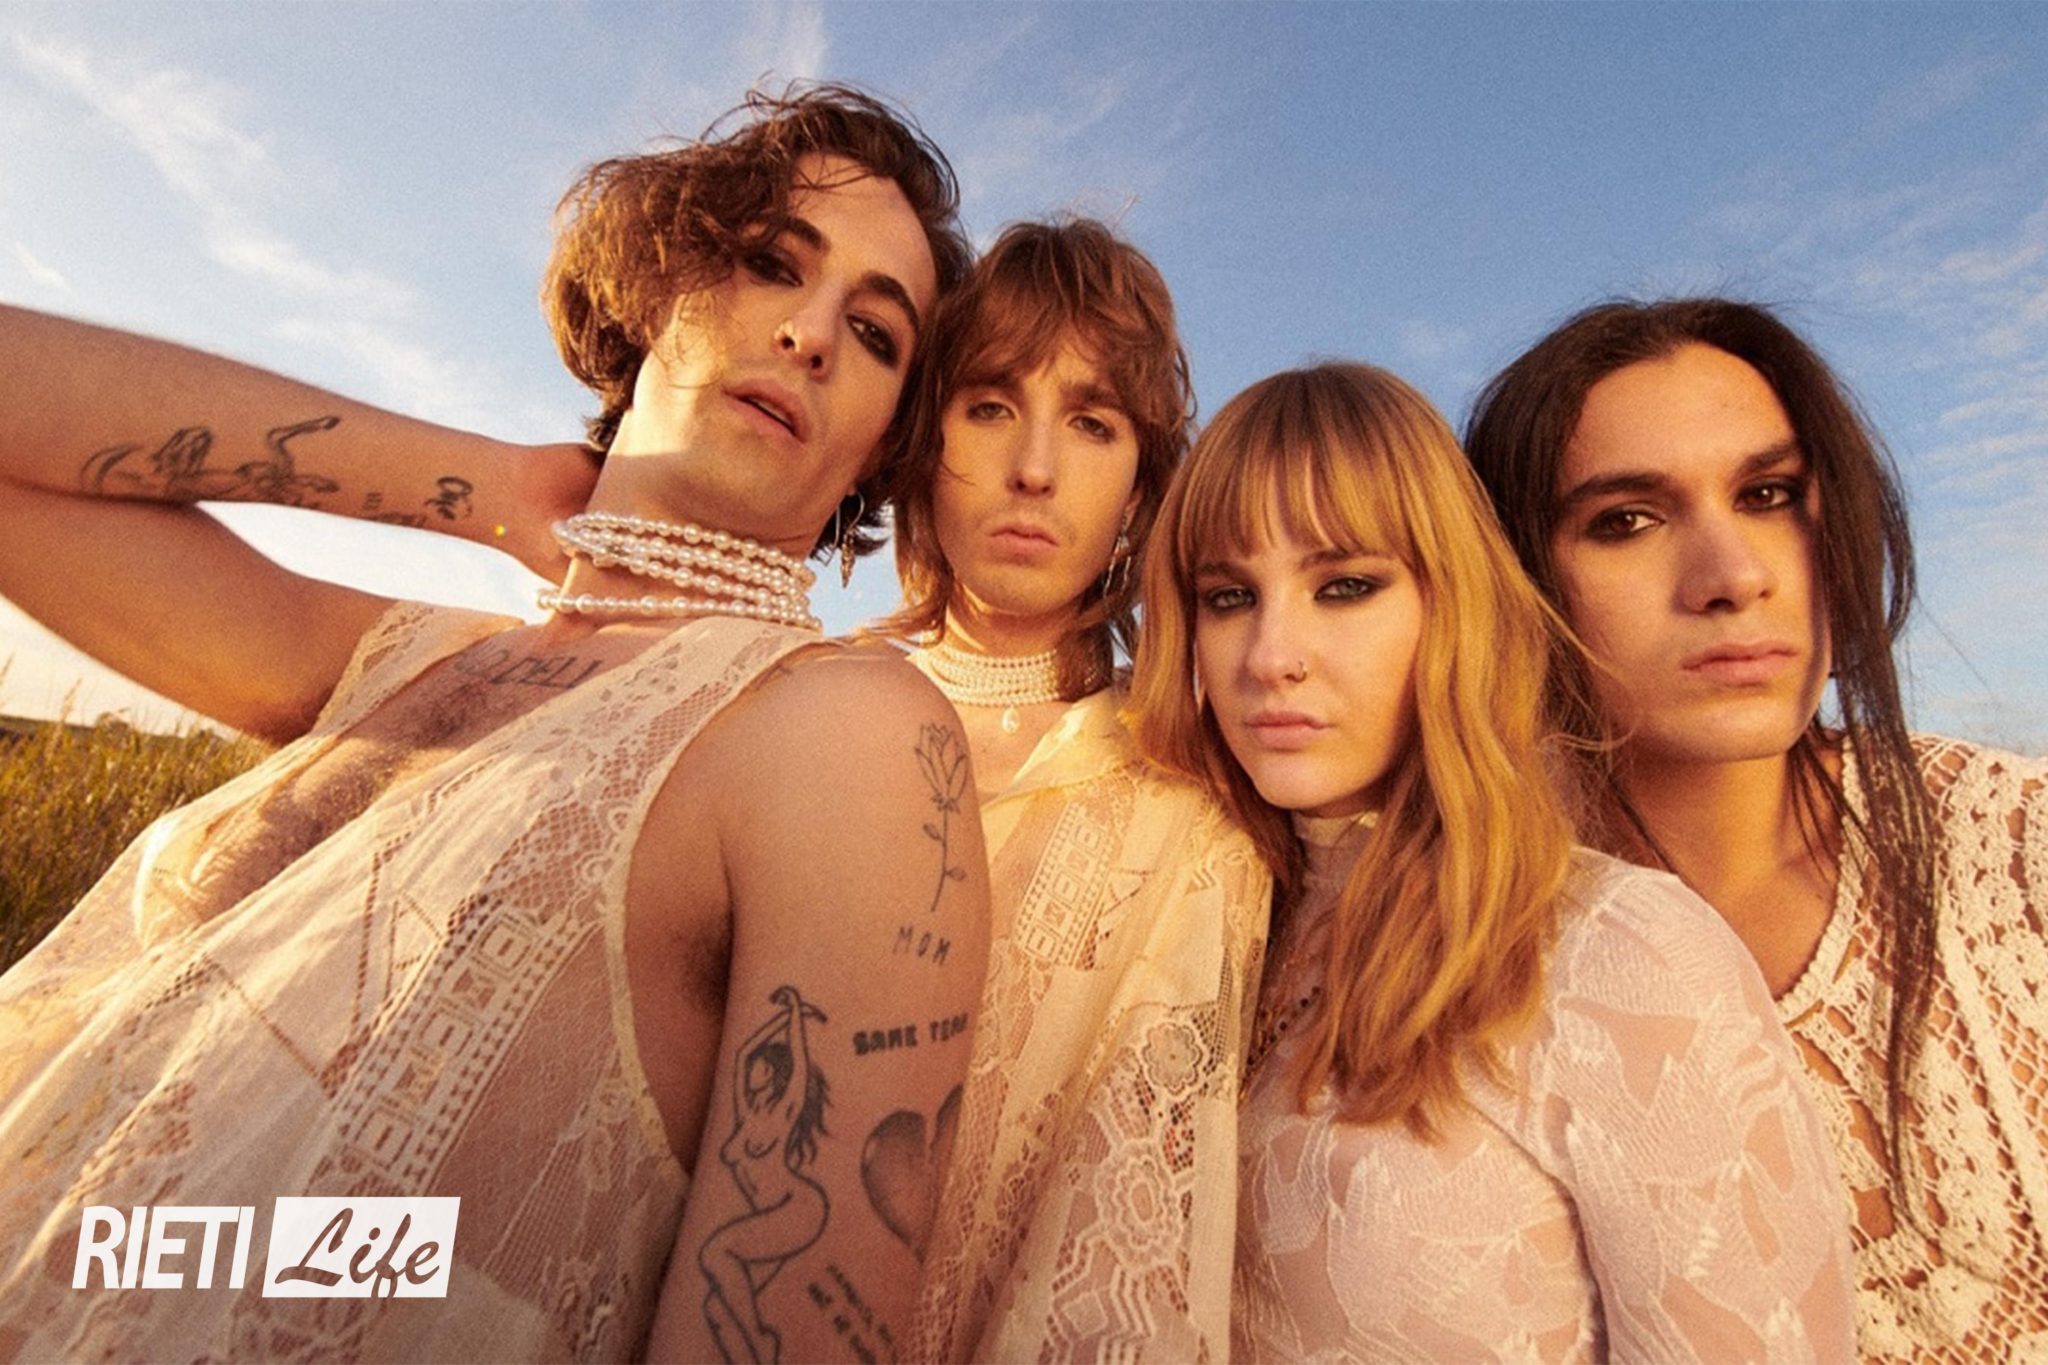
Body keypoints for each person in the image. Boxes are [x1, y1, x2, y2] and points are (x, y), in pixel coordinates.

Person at [0, 85, 990, 1362]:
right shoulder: (398, 659)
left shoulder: (841, 733)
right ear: (656, 288)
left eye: (873, 334)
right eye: (768, 263)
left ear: (880, 448)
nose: (808, 334)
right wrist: (491, 490)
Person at [1129, 362, 1856, 1361]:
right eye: (1227, 596)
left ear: (1453, 605)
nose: (1270, 655)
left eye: (1345, 586)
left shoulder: (1621, 955)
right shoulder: (1209, 920)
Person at [1463, 297, 2048, 1362]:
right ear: (1510, 580)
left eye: (1768, 495)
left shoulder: (2018, 847)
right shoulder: (1447, 937)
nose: (1733, 577)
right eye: (1625, 520)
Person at [882, 219, 1270, 1361]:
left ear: (1142, 490)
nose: (1035, 468)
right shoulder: (792, 714)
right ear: (922, 440)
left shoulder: (1195, 811)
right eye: (989, 406)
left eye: (1093, 424)